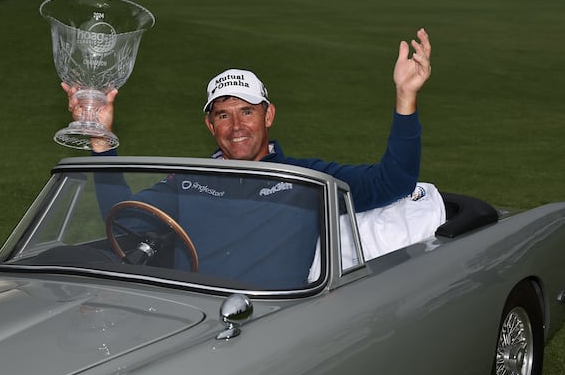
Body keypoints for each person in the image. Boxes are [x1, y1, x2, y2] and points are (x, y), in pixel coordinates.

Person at [62, 28, 436, 287]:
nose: (236, 125)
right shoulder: (188, 180)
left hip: (271, 322)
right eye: (223, 115)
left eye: (247, 111)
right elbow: (127, 218)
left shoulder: (308, 179)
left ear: (268, 115)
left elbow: (394, 183)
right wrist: (100, 142)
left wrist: (406, 97)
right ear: (210, 125)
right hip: (192, 318)